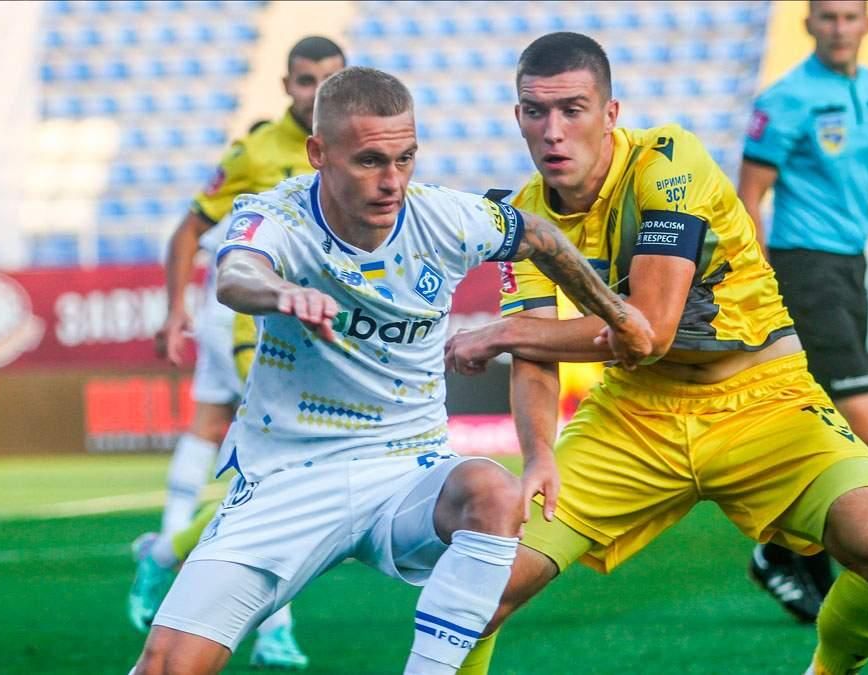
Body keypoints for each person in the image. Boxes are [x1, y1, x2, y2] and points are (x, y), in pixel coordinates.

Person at [131, 66, 654, 675]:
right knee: (167, 664)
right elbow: (235, 274)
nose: (392, 182)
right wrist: (280, 292)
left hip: (406, 469)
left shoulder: (445, 216)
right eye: (370, 162)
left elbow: (539, 236)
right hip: (288, 477)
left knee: (491, 492)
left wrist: (617, 313)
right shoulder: (278, 215)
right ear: (319, 153)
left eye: (405, 159)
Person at [446, 32, 868, 675]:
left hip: (764, 402)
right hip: (636, 414)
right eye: (536, 111)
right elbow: (536, 352)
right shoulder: (524, 217)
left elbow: (650, 331)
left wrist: (499, 335)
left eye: (572, 110)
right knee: (477, 586)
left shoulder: (668, 160)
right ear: (518, 116)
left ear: (610, 114)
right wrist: (537, 455)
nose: (553, 131)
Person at [130, 36, 346, 667]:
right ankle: (273, 627)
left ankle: (165, 552)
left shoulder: (353, 143)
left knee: (240, 443)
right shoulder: (256, 151)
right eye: (305, 80)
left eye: (329, 80)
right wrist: (175, 309)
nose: (316, 92)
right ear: (286, 86)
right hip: (254, 323)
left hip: (316, 323)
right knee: (279, 464)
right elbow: (190, 228)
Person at [736, 0, 868, 622]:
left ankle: (803, 558)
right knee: (863, 420)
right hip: (804, 268)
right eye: (828, 17)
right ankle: (776, 550)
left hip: (852, 267)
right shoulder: (787, 98)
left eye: (850, 17)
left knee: (827, 423)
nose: (840, 28)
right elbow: (749, 196)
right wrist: (761, 283)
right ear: (808, 24)